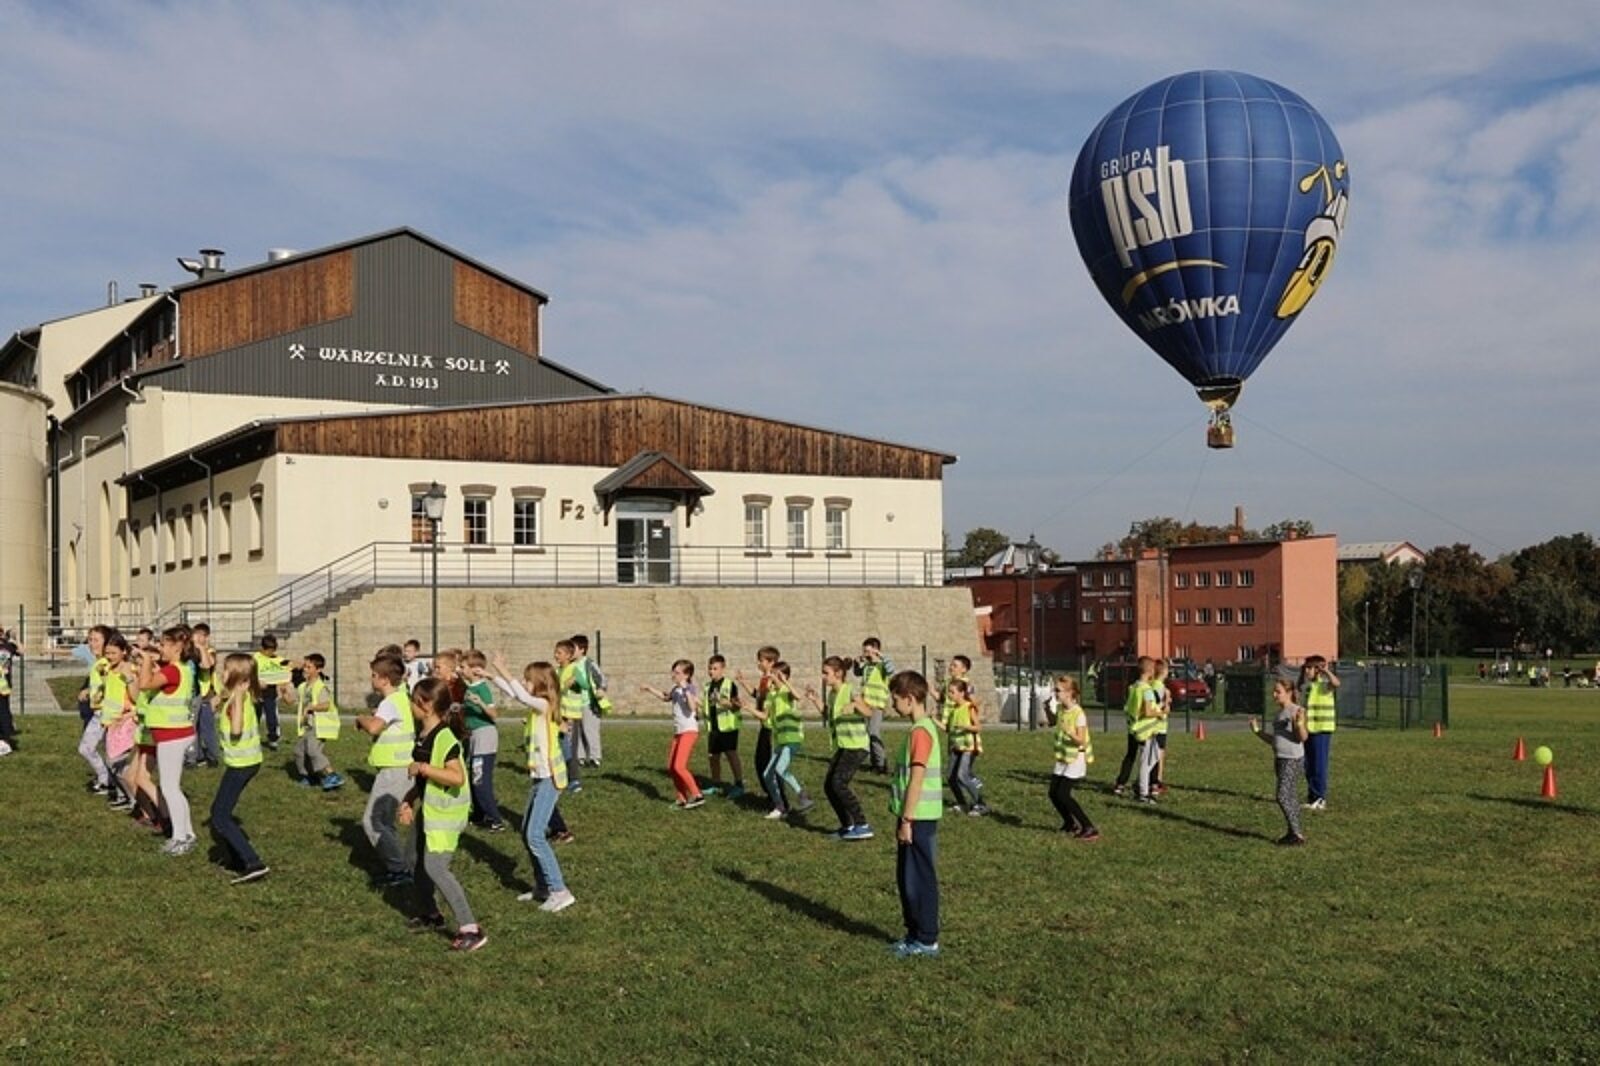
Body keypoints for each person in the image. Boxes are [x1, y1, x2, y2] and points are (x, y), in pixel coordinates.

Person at [398, 677, 487, 951]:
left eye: (413, 701)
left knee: (436, 867)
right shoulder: (423, 734)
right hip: (430, 809)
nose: (410, 707)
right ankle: (431, 914)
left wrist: (422, 769)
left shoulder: (444, 737)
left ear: (425, 705)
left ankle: (471, 928)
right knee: (413, 858)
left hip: (446, 818)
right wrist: (409, 799)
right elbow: (426, 778)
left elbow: (456, 777)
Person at [490, 654, 576, 912]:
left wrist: (502, 668)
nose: (525, 684)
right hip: (539, 778)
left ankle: (560, 891)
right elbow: (517, 694)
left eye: (528, 680)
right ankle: (542, 887)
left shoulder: (544, 704)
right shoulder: (536, 704)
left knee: (535, 836)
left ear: (539, 683)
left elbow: (523, 696)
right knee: (527, 830)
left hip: (550, 777)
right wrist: (491, 677)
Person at [888, 670, 942, 959]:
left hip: (918, 818)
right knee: (907, 878)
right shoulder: (918, 729)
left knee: (918, 878)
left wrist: (907, 820)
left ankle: (926, 938)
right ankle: (913, 934)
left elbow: (917, 779)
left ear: (909, 699)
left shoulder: (921, 731)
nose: (892, 704)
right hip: (913, 816)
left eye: (895, 699)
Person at [355, 655, 416, 887]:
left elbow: (374, 727)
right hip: (399, 767)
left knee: (372, 821)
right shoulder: (402, 698)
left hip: (395, 769)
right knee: (386, 821)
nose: (371, 679)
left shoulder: (389, 702)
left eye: (373, 675)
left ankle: (400, 870)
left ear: (383, 679)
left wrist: (362, 719)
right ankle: (400, 867)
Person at [138, 626, 199, 854]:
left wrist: (145, 661)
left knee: (169, 788)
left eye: (163, 644)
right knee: (174, 787)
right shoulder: (181, 669)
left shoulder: (173, 671)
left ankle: (179, 838)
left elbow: (145, 684)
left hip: (172, 736)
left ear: (177, 647)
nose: (160, 647)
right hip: (177, 733)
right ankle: (188, 833)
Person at [210, 652, 270, 883]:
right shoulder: (238, 696)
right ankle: (236, 861)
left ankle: (253, 862)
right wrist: (224, 697)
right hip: (245, 762)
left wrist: (234, 699)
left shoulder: (239, 700)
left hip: (242, 765)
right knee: (219, 811)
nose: (222, 673)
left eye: (226, 670)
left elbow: (236, 730)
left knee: (220, 816)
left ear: (242, 680)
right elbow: (218, 700)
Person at [810, 655, 872, 840]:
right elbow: (830, 715)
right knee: (829, 786)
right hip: (844, 746)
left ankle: (863, 825)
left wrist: (854, 705)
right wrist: (815, 700)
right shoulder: (832, 693)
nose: (823, 676)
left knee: (839, 783)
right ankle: (847, 825)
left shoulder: (850, 690)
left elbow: (868, 712)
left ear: (838, 673)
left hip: (857, 746)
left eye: (825, 673)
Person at [745, 661, 812, 820]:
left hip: (793, 738)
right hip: (781, 740)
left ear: (783, 676)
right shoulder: (771, 695)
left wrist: (785, 682)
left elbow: (798, 696)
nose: (770, 676)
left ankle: (803, 796)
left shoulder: (785, 691)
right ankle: (780, 806)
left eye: (774, 674)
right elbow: (765, 717)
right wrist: (748, 708)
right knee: (768, 774)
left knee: (780, 769)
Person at [1251, 680, 1309, 846]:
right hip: (1280, 758)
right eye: (1274, 692)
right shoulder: (1279, 714)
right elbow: (1274, 740)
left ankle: (1297, 834)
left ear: (1289, 692)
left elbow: (1302, 737)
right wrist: (1257, 731)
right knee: (1290, 796)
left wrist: (1298, 724)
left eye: (1278, 691)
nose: (1274, 695)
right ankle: (1292, 833)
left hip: (1292, 759)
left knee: (1282, 795)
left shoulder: (1296, 711)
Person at [642, 659, 706, 810]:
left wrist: (686, 690)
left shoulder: (689, 688)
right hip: (678, 732)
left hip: (689, 731)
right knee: (671, 767)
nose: (673, 675)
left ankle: (697, 795)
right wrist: (649, 689)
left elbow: (692, 707)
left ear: (687, 675)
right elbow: (666, 697)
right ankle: (681, 798)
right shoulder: (675, 689)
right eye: (673, 671)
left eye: (677, 673)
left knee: (679, 766)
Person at [1047, 676, 1098, 840]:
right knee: (1053, 793)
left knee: (1063, 794)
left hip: (1075, 758)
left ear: (1070, 693)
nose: (1055, 693)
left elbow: (1081, 740)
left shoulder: (1079, 714)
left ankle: (1088, 826)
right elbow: (1054, 723)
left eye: (1058, 690)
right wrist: (1048, 710)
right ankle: (1069, 823)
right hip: (1063, 756)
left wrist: (1071, 733)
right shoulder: (1062, 709)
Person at [461, 650, 506, 832]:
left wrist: (480, 702)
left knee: (480, 780)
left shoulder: (482, 688)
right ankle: (479, 815)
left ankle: (496, 820)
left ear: (475, 670)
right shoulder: (469, 687)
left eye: (463, 667)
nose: (461, 669)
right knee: (473, 777)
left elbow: (494, 714)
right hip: (474, 736)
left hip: (485, 736)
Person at [292, 653, 346, 790]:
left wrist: (311, 707)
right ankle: (309, 776)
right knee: (299, 751)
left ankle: (332, 775)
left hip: (319, 725)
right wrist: (284, 693)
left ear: (318, 669)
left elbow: (326, 705)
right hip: (306, 726)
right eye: (304, 666)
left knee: (313, 750)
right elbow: (294, 701)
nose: (305, 669)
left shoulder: (321, 687)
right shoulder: (303, 686)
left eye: (308, 667)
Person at [1113, 656, 1162, 802]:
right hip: (1146, 730)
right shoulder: (1147, 689)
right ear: (1150, 671)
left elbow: (1133, 708)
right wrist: (1161, 712)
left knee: (1147, 758)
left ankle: (1138, 786)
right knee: (1148, 761)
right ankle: (1143, 792)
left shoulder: (1134, 687)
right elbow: (1147, 711)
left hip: (1134, 728)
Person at [99, 634, 138, 812]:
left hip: (125, 721)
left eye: (114, 653)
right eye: (107, 653)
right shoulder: (107, 668)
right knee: (112, 763)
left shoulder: (129, 669)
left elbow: (137, 696)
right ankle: (128, 797)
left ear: (124, 652)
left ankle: (136, 797)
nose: (109, 656)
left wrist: (129, 678)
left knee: (116, 762)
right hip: (111, 722)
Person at [939, 678, 989, 816]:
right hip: (957, 747)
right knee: (950, 777)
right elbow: (948, 729)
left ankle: (981, 804)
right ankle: (962, 803)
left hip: (968, 747)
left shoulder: (968, 707)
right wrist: (934, 720)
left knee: (962, 775)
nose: (949, 695)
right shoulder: (954, 710)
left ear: (961, 693)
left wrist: (966, 727)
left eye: (952, 692)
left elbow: (978, 727)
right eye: (949, 692)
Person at [1299, 655, 1339, 811]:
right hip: (1310, 729)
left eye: (1310, 668)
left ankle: (1320, 798)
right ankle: (1312, 796)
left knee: (1319, 765)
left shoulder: (1324, 685)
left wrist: (1326, 672)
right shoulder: (1309, 687)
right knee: (1309, 764)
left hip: (1322, 730)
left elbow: (1336, 683)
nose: (1307, 671)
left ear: (1318, 669)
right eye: (1306, 668)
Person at [701, 655, 745, 797]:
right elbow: (706, 705)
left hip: (728, 727)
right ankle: (716, 783)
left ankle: (738, 783)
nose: (711, 671)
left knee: (731, 754)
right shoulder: (707, 686)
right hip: (713, 727)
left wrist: (722, 701)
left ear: (722, 669)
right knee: (713, 756)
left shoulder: (729, 685)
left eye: (715, 668)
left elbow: (736, 705)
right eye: (710, 668)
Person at [77, 625, 113, 793]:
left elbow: (112, 686)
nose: (92, 644)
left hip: (109, 714)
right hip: (98, 713)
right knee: (86, 748)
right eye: (90, 640)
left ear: (107, 642)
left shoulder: (107, 664)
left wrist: (89, 691)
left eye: (96, 640)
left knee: (110, 753)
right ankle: (106, 779)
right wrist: (89, 691)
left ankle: (117, 786)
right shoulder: (99, 663)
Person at [853, 637, 894, 773]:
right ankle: (874, 763)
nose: (866, 654)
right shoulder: (867, 666)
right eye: (864, 651)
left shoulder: (882, 665)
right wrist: (856, 663)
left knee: (874, 733)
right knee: (867, 735)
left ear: (876, 650)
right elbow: (857, 673)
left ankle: (881, 764)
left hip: (877, 705)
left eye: (868, 651)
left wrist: (880, 656)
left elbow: (891, 669)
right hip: (866, 704)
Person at [748, 646, 780, 810]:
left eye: (761, 660)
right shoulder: (764, 679)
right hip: (764, 726)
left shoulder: (773, 681)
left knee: (767, 765)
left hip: (771, 727)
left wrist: (749, 708)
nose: (758, 663)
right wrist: (743, 682)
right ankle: (771, 795)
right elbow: (758, 695)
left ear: (771, 662)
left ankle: (777, 799)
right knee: (760, 762)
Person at [571, 634, 609, 768]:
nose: (570, 651)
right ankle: (579, 757)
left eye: (573, 648)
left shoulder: (589, 664)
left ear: (582, 649)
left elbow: (601, 678)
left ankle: (595, 757)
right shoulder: (569, 665)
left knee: (590, 730)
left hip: (590, 703)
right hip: (575, 704)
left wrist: (601, 689)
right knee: (577, 731)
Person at [555, 640, 586, 793]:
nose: (556, 655)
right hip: (560, 715)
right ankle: (562, 776)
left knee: (570, 748)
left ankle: (574, 780)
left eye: (559, 653)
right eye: (556, 652)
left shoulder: (574, 669)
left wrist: (576, 681)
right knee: (560, 746)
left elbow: (586, 684)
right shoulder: (557, 671)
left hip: (572, 716)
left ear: (568, 655)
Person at [188, 623, 221, 768]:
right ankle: (198, 755)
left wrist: (202, 648)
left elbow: (209, 664)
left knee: (207, 728)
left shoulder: (210, 651)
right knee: (194, 728)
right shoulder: (191, 651)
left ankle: (213, 756)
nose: (195, 638)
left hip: (207, 695)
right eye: (194, 634)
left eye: (199, 635)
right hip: (195, 694)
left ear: (205, 637)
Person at [251, 634, 291, 752]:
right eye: (269, 651)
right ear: (263, 649)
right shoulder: (255, 658)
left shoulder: (277, 660)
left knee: (272, 717)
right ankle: (252, 738)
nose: (271, 653)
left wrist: (284, 686)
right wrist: (257, 682)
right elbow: (250, 675)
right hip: (257, 693)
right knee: (254, 717)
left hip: (270, 694)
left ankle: (273, 739)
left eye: (273, 650)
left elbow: (283, 673)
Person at [1151, 659, 1172, 796]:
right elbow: (1159, 706)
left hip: (1154, 725)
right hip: (1159, 725)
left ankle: (1154, 780)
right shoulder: (1159, 687)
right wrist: (1166, 703)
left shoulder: (1152, 685)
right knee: (1159, 755)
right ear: (1164, 671)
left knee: (1154, 755)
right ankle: (1156, 781)